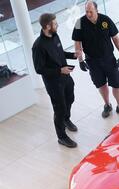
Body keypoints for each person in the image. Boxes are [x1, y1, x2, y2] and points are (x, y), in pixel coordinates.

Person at [72, 0, 119, 118]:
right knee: (101, 85)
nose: (88, 14)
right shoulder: (79, 22)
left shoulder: (106, 20)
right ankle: (107, 105)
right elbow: (77, 43)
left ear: (96, 10)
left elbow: (115, 38)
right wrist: (80, 60)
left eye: (91, 11)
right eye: (86, 11)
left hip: (109, 59)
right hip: (92, 61)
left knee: (117, 84)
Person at [32, 13, 79, 148]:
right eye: (55, 23)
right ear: (47, 26)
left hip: (65, 77)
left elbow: (60, 53)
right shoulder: (38, 46)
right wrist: (59, 70)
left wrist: (73, 55)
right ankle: (62, 137)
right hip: (53, 83)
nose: (57, 25)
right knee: (59, 108)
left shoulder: (55, 35)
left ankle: (66, 119)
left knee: (70, 98)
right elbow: (39, 69)